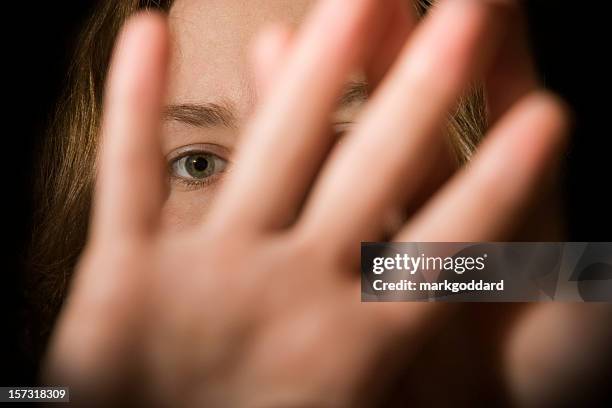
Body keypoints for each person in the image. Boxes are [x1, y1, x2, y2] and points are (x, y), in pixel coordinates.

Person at [29, 0, 611, 406]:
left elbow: (573, 276)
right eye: (198, 163)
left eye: (345, 146)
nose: (278, 214)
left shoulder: (518, 293)